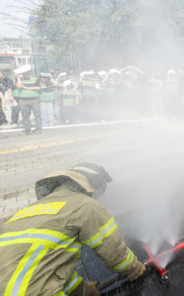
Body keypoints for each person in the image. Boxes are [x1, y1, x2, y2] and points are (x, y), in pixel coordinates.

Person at [0, 163, 146, 296]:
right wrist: (133, 268)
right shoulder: (85, 206)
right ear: (92, 187)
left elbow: (46, 266)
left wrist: (81, 289)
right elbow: (114, 251)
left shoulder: (28, 212)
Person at [15, 65, 42, 135]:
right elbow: (19, 86)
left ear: (29, 73)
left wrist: (26, 88)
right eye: (23, 73)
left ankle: (39, 128)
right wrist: (18, 77)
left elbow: (38, 88)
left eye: (27, 73)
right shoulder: (19, 80)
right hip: (23, 100)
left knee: (37, 114)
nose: (25, 75)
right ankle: (27, 129)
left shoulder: (35, 79)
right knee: (25, 115)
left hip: (34, 99)